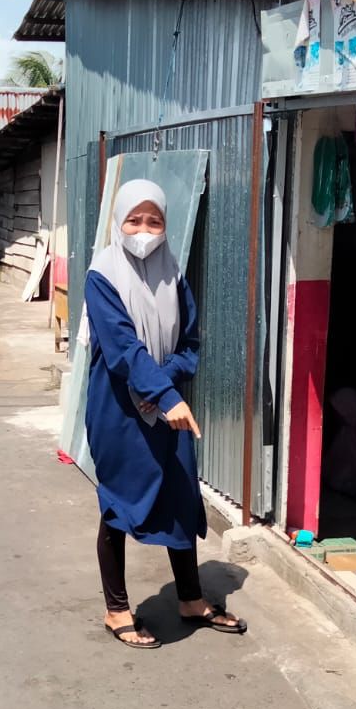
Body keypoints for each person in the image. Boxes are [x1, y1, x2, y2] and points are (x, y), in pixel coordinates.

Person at [83, 178, 246, 649]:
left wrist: (167, 382)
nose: (144, 229)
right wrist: (164, 393)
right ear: (118, 223)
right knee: (119, 502)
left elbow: (189, 343)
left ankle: (190, 599)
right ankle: (116, 609)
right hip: (118, 409)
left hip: (168, 404)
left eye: (154, 220)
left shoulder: (173, 273)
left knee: (179, 494)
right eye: (134, 219)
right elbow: (122, 349)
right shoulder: (102, 275)